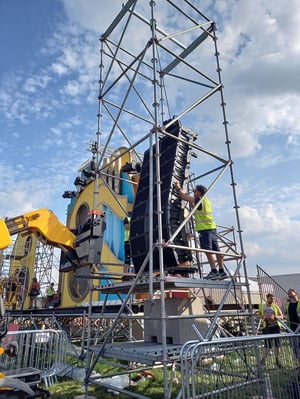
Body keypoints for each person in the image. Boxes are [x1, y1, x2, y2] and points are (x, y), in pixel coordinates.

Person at [175, 182, 226, 280]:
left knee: (207, 251)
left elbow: (183, 196)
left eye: (195, 191)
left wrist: (178, 188)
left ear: (199, 192)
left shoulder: (199, 199)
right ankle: (221, 271)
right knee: (217, 250)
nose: (193, 193)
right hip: (212, 228)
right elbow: (196, 211)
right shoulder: (206, 201)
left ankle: (213, 271)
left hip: (204, 230)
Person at [258, 293, 284, 368]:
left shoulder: (275, 306)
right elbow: (259, 314)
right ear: (267, 298)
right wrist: (264, 317)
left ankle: (277, 360)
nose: (272, 300)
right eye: (271, 298)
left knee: (277, 344)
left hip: (275, 327)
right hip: (267, 327)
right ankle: (263, 360)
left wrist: (275, 317)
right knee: (267, 345)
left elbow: (281, 316)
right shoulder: (262, 306)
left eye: (273, 298)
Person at [284, 288, 300, 372]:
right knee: (295, 349)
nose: (289, 293)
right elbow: (286, 315)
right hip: (292, 330)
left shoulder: (299, 303)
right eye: (288, 292)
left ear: (295, 293)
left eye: (291, 291)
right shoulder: (287, 305)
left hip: (299, 328)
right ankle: (298, 364)